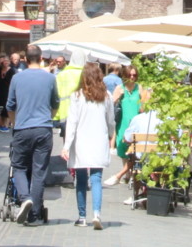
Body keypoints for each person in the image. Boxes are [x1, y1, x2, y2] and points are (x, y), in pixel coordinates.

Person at [7, 44, 60, 226]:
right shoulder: (50, 78)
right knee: (39, 172)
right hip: (43, 129)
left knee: (19, 166)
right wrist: (48, 118)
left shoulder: (17, 78)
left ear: (25, 59)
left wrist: (15, 123)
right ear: (41, 58)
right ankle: (35, 215)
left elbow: (10, 106)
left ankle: (25, 197)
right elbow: (55, 104)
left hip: (22, 128)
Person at [62, 63, 116, 229]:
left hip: (81, 142)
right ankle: (97, 214)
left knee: (81, 180)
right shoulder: (106, 95)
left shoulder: (77, 95)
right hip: (99, 140)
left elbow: (72, 121)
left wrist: (66, 145)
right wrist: (109, 134)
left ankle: (82, 216)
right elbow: (111, 120)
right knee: (97, 178)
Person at [105, 65, 142, 187]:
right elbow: (110, 104)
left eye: (134, 75)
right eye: (130, 75)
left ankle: (131, 174)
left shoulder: (140, 88)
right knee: (123, 149)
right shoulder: (119, 88)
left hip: (136, 123)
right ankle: (127, 173)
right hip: (123, 122)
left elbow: (144, 107)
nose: (132, 77)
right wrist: (117, 97)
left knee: (136, 149)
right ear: (125, 75)